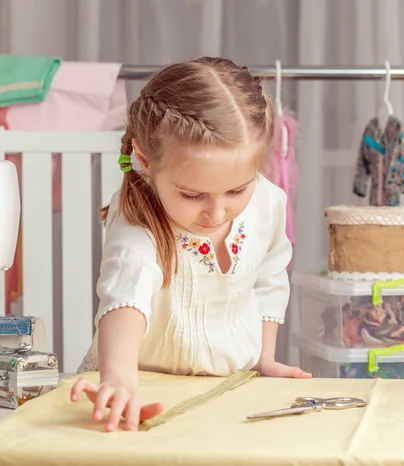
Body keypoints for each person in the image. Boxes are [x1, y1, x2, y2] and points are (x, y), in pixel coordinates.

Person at [70, 56, 310, 432]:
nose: (216, 212)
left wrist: (264, 357)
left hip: (228, 391)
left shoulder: (268, 202)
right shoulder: (138, 216)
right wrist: (118, 378)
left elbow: (268, 276)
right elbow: (126, 293)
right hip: (139, 390)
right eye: (193, 194)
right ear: (147, 163)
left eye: (236, 190)